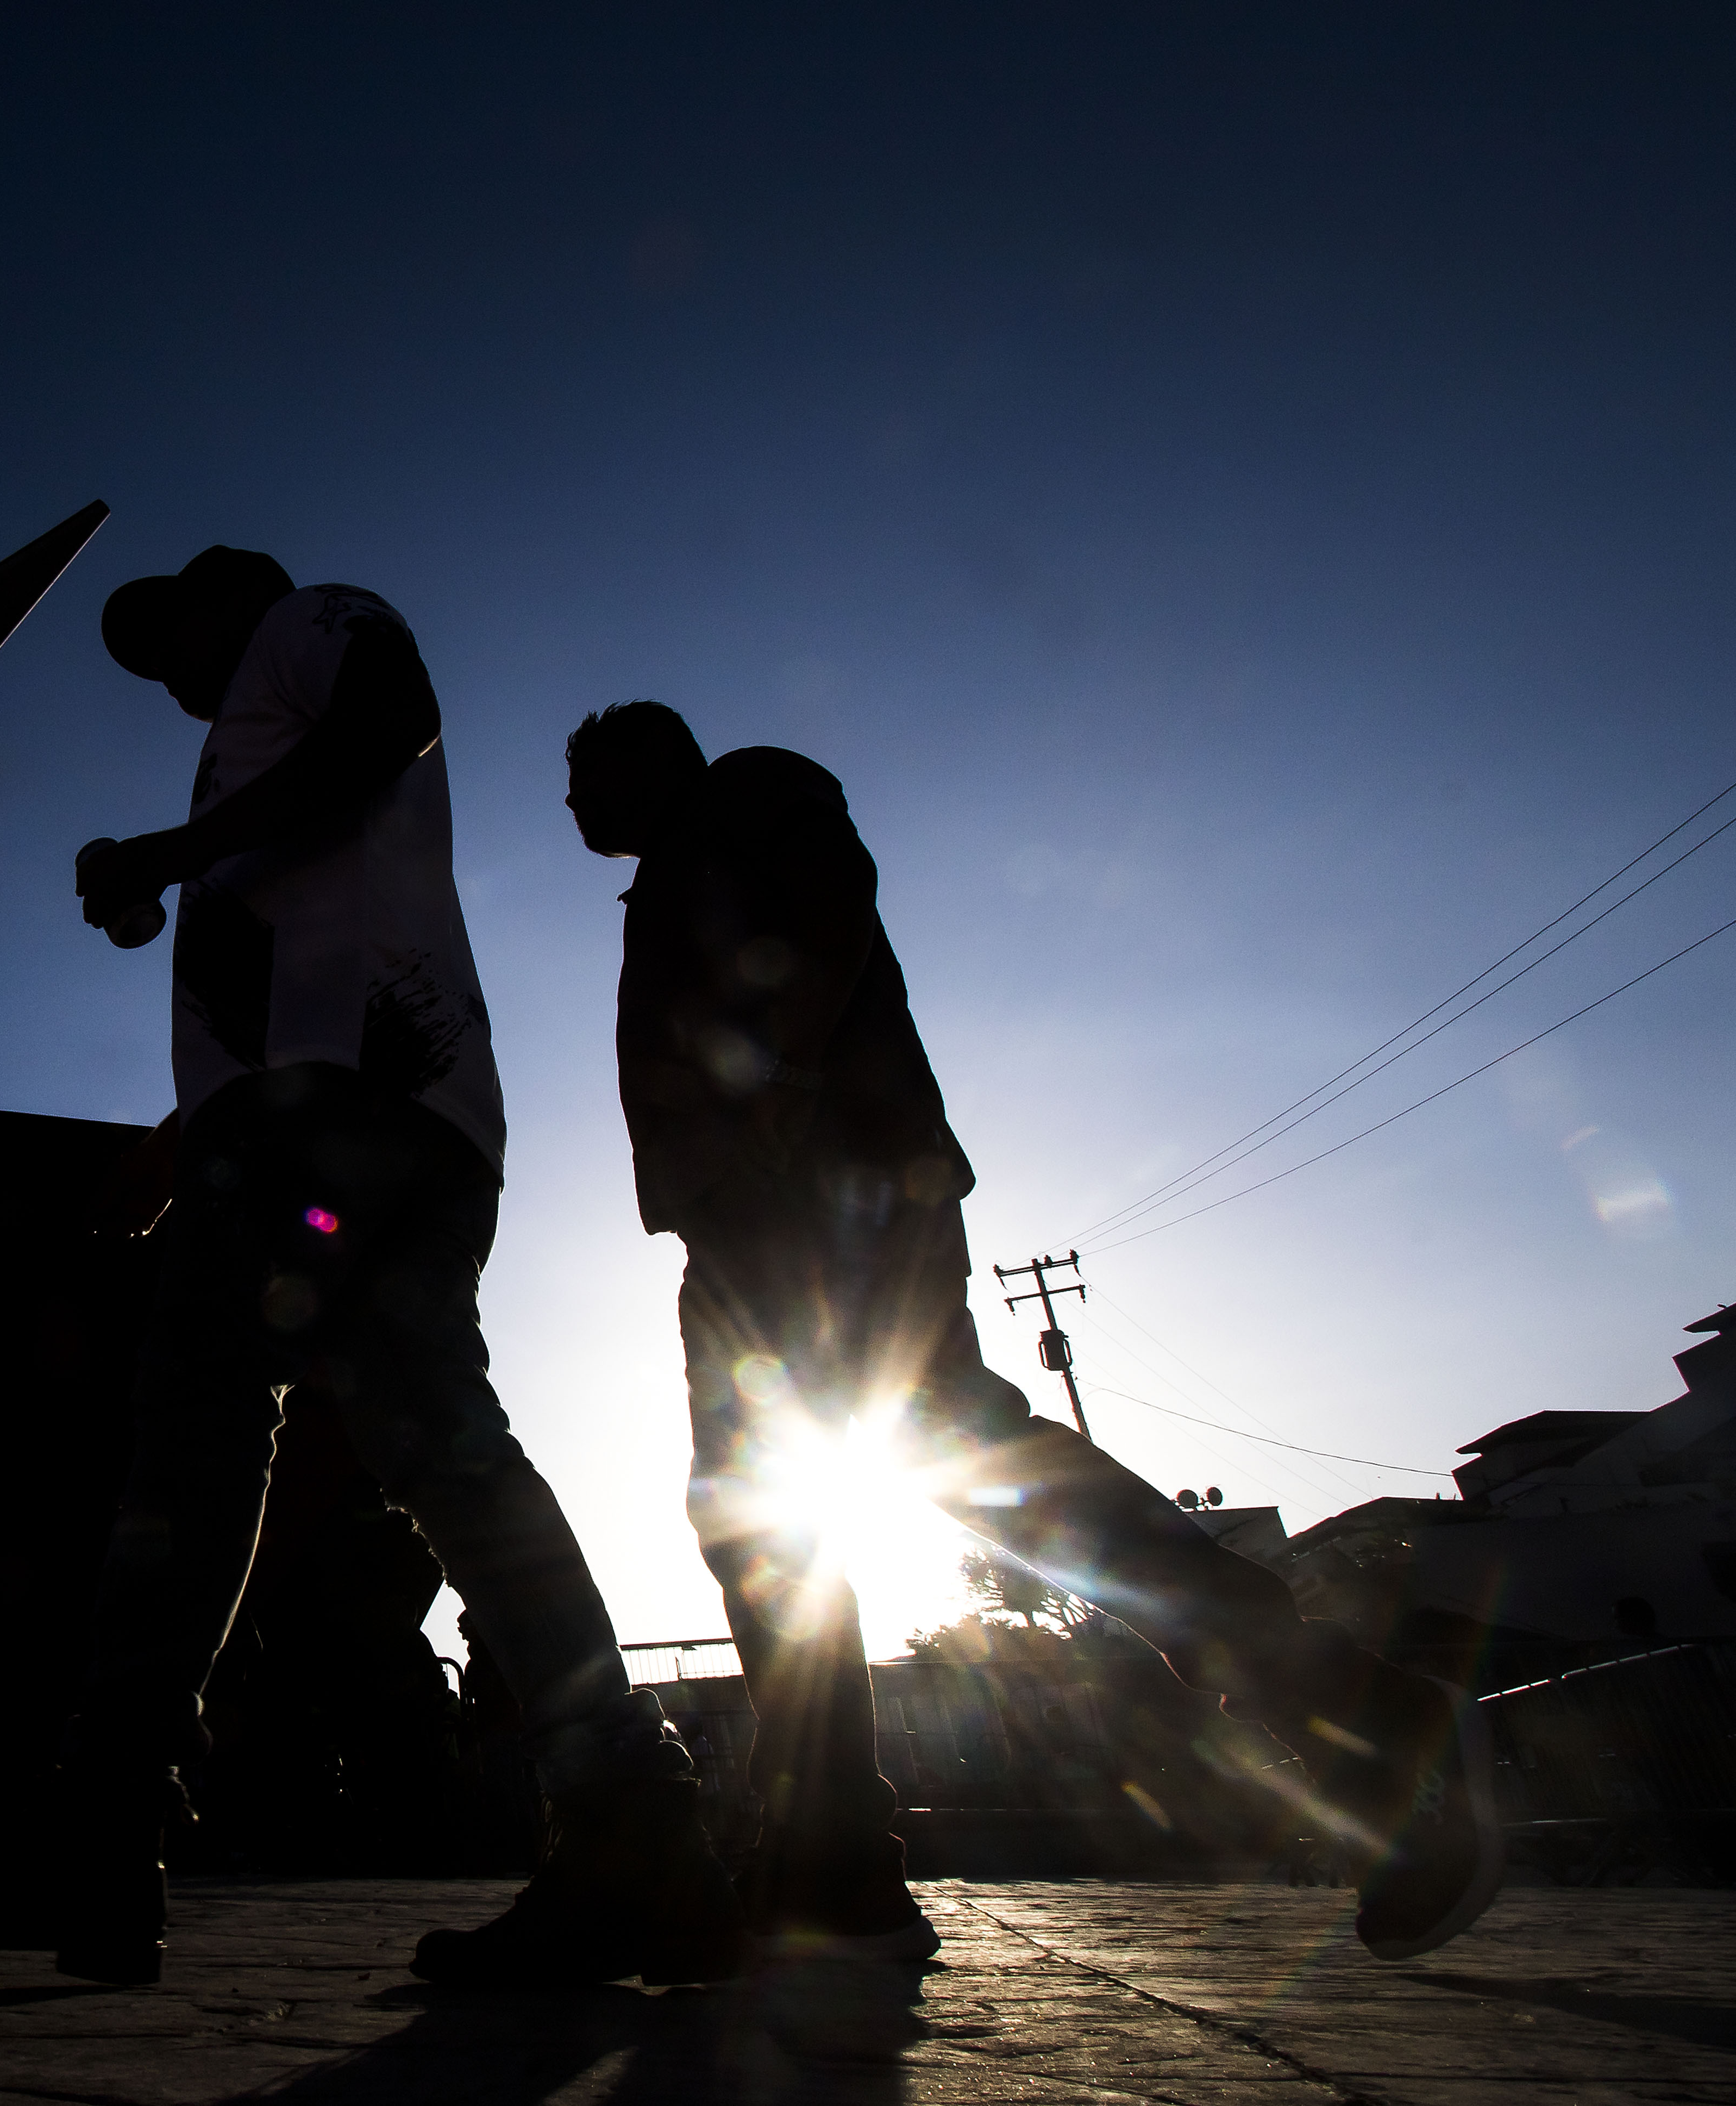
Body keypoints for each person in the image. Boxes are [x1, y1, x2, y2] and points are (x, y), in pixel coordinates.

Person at [0, 547, 737, 1989]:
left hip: (321, 1127)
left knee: (198, 1432)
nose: (168, 666)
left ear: (236, 587)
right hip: (379, 1118)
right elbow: (306, 944)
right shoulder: (262, 727)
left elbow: (390, 717)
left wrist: (163, 856)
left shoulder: (309, 625)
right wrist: (185, 1132)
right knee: (442, 1451)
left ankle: (100, 1835)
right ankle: (636, 1826)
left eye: (172, 627)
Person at [564, 698, 1504, 1963]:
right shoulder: (671, 882)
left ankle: (1356, 1714)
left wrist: (782, 1084)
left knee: (928, 1464)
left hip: (826, 1195)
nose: (572, 801)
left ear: (654, 760)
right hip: (749, 1231)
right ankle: (833, 1868)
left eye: (587, 772)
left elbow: (835, 906)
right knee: (800, 1510)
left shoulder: (747, 789)